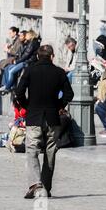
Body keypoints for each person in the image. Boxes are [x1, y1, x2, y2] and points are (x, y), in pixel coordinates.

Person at [15, 45, 74, 199]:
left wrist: (27, 106)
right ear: (52, 56)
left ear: (38, 56)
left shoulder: (29, 70)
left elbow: (19, 92)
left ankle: (35, 183)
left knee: (32, 150)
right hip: (52, 117)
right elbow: (69, 93)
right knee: (50, 151)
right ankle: (45, 186)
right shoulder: (59, 72)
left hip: (34, 117)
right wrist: (59, 106)